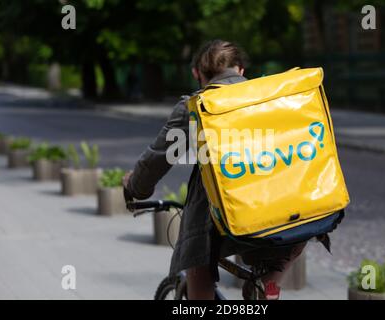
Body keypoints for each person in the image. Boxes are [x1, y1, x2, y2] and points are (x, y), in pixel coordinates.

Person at [123, 40, 306, 300]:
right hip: (285, 210)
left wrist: (134, 187)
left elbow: (157, 159)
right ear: (241, 70)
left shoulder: (196, 108)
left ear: (198, 74)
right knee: (284, 249)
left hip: (221, 219)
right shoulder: (273, 100)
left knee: (199, 261)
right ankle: (270, 285)